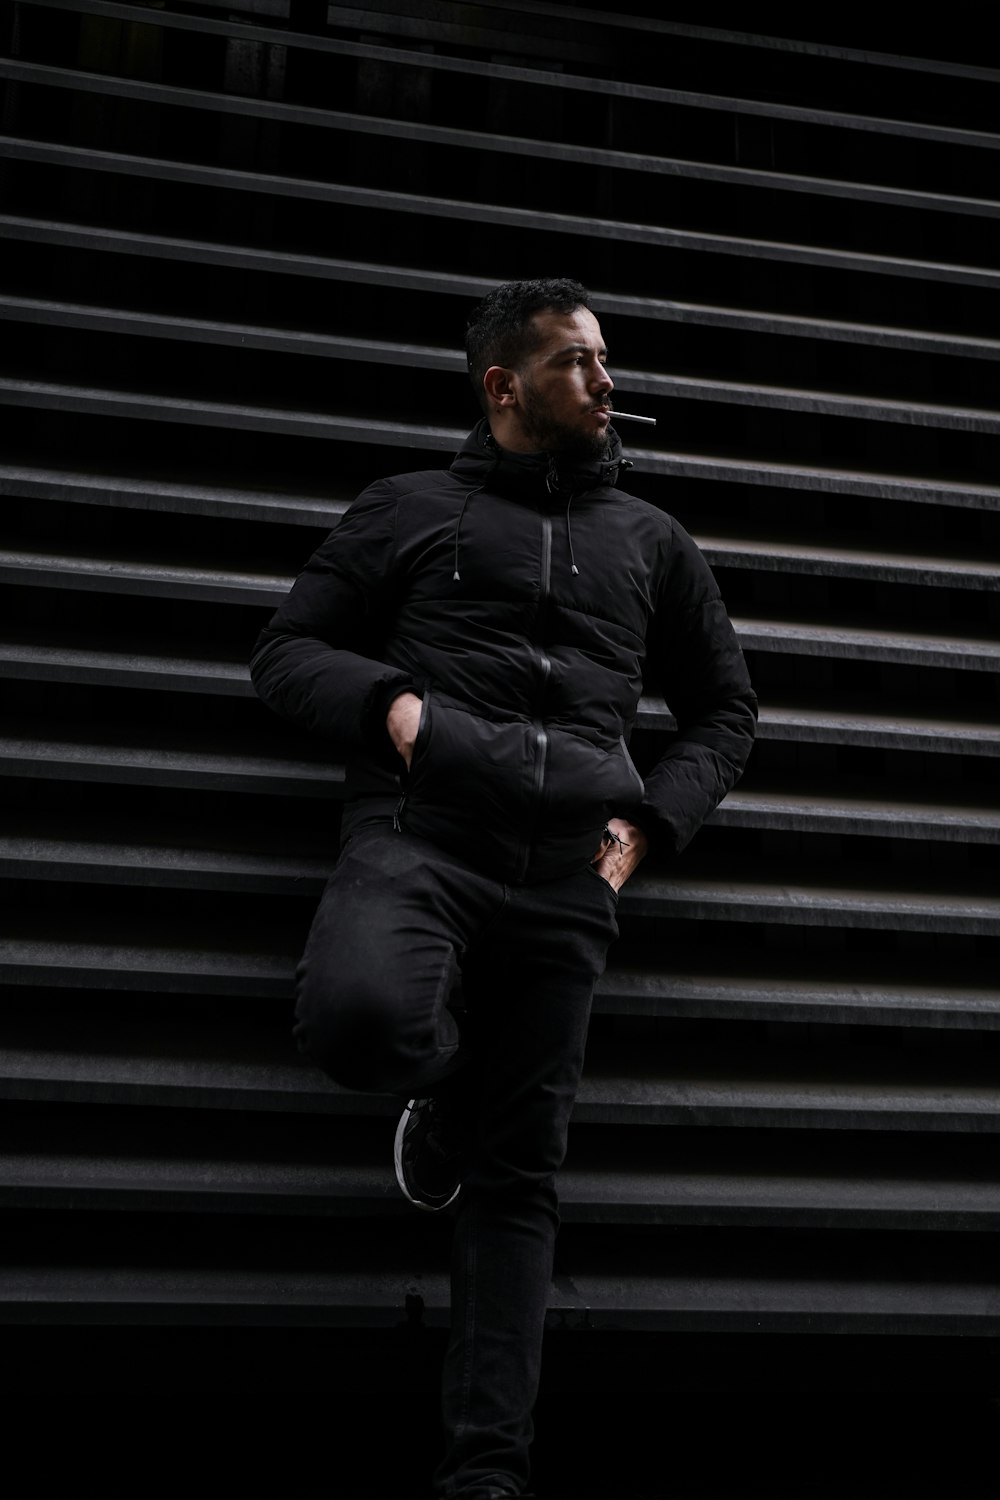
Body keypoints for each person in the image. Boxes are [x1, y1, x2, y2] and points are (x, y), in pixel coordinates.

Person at [250, 277, 757, 1499]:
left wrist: (649, 821)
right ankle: (441, 1093)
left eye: (604, 361)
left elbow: (724, 712)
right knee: (360, 1020)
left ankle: (489, 1471)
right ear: (504, 387)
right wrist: (394, 706)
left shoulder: (651, 540)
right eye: (579, 363)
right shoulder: (408, 508)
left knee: (519, 1179)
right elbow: (285, 651)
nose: (606, 382)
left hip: (569, 872)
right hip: (425, 836)